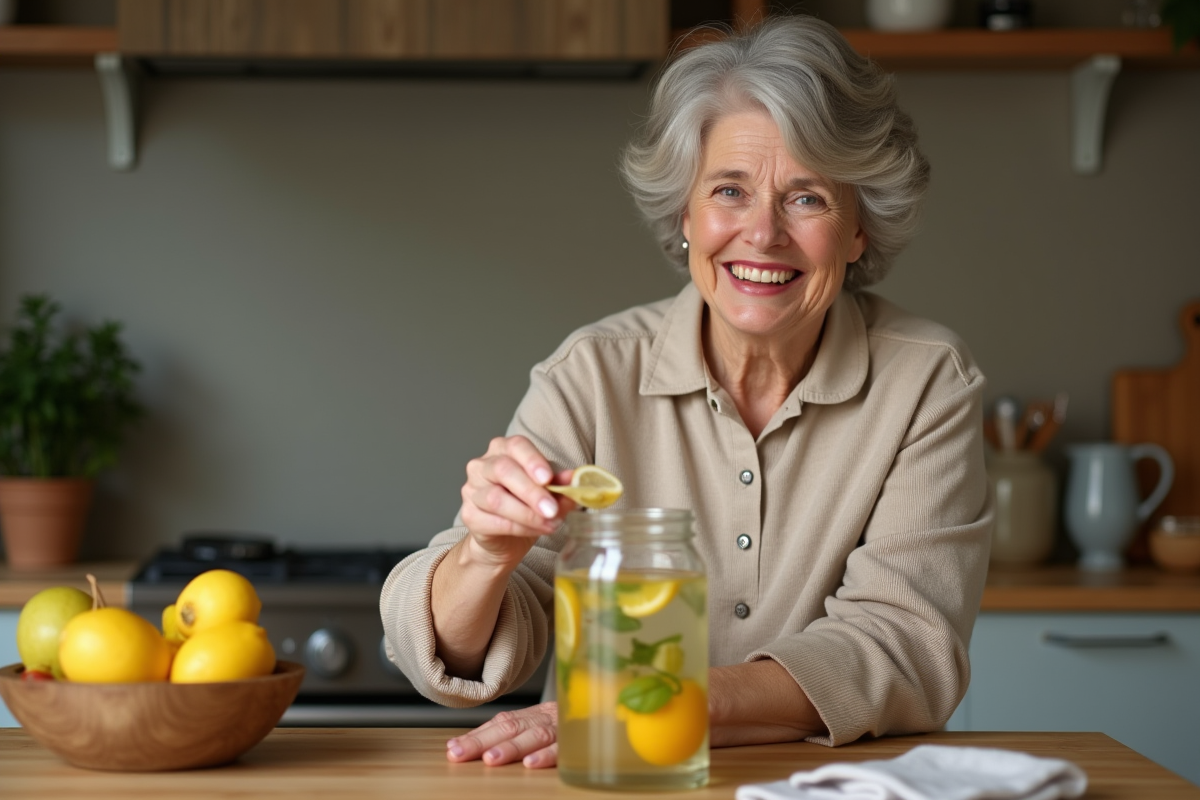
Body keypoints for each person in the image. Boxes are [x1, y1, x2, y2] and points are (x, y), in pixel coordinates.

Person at [380, 14, 992, 769]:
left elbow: (906, 644)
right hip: (619, 777)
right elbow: (445, 650)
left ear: (859, 228)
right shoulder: (592, 373)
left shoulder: (926, 382)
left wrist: (662, 700)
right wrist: (486, 553)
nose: (762, 234)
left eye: (806, 199)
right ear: (685, 215)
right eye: (730, 191)